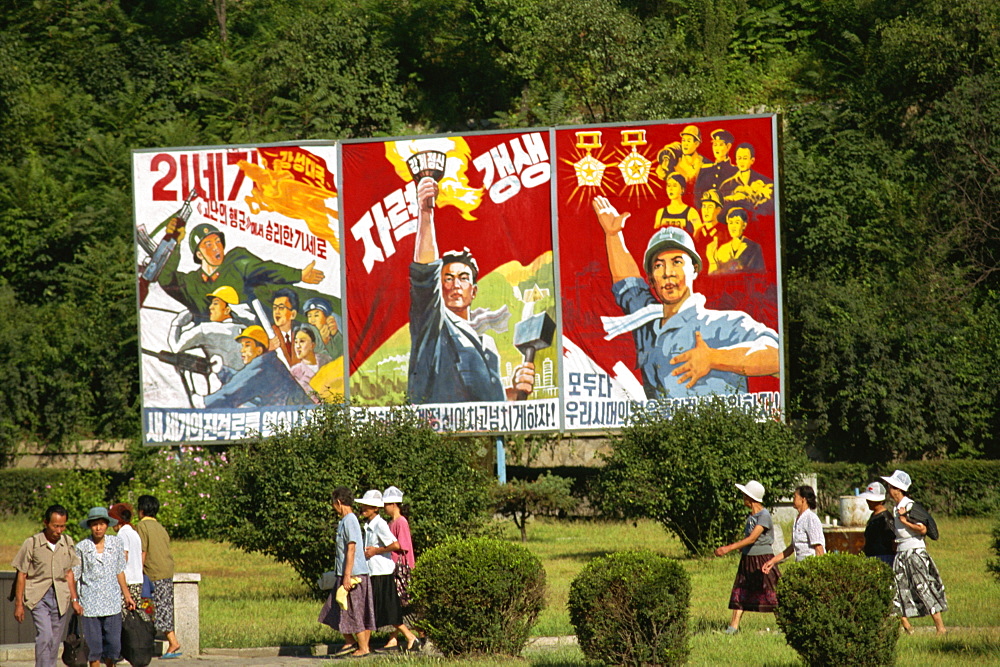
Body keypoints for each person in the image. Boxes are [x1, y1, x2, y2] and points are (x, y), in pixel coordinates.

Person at [592, 198, 780, 399]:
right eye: (658, 265)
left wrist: (715, 358)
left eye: (677, 262)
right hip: (660, 429)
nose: (667, 273)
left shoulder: (725, 323)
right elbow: (629, 284)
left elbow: (776, 358)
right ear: (652, 279)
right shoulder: (646, 322)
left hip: (717, 429)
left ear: (695, 269)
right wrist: (613, 235)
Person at [408, 176, 535, 403]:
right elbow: (424, 276)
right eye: (448, 278)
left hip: (483, 437)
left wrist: (517, 392)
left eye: (463, 278)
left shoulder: (487, 344)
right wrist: (426, 215)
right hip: (440, 435)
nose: (455, 284)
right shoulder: (433, 327)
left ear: (474, 291)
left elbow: (489, 406)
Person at [157, 221, 325, 322]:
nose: (216, 247)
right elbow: (165, 279)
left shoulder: (236, 261)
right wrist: (175, 243)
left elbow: (264, 269)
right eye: (208, 244)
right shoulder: (192, 282)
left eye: (218, 241)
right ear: (198, 254)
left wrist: (298, 275)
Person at [11, 505, 83, 667]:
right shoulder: (32, 543)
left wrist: (74, 599)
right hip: (38, 596)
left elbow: (69, 573)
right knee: (45, 635)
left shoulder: (67, 542)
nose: (59, 530)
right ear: (46, 523)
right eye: (55, 526)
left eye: (63, 526)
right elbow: (21, 574)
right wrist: (19, 604)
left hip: (61, 597)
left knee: (55, 640)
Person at [881, 470, 948, 635]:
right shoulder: (897, 507)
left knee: (923, 586)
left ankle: (940, 628)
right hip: (902, 552)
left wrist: (905, 520)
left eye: (890, 486)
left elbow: (922, 529)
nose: (889, 489)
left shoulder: (909, 506)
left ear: (897, 489)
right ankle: (908, 628)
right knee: (897, 589)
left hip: (914, 552)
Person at [356, 490, 419, 653]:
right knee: (380, 608)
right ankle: (401, 638)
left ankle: (366, 646)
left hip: (382, 572)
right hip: (375, 571)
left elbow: (398, 545)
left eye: (367, 506)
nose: (363, 508)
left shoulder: (381, 524)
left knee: (383, 608)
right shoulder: (372, 525)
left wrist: (376, 551)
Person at [713, 481, 778, 635]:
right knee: (740, 591)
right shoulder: (751, 516)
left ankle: (785, 625)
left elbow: (752, 538)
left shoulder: (764, 515)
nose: (742, 498)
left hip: (762, 559)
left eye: (744, 495)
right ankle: (733, 627)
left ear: (750, 497)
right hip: (748, 558)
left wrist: (728, 548)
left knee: (773, 591)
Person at [74, 507, 136, 667]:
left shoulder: (116, 544)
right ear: (90, 526)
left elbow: (119, 571)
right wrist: (75, 599)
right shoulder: (82, 547)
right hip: (90, 603)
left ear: (107, 525)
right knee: (94, 646)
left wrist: (127, 595)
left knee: (114, 645)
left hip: (112, 602)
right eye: (95, 524)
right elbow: (75, 575)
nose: (98, 528)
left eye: (101, 524)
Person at [319, 487, 376, 658]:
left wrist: (347, 575)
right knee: (336, 609)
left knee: (355, 610)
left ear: (338, 502)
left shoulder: (350, 520)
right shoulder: (346, 520)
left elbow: (351, 548)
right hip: (347, 572)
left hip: (353, 573)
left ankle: (363, 647)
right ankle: (352, 642)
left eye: (333, 504)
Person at [200, 325, 309, 408]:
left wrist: (201, 403)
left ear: (259, 350)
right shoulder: (270, 362)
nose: (242, 350)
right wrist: (221, 371)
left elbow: (231, 395)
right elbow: (243, 383)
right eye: (242, 346)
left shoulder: (261, 366)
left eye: (247, 345)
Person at [135, 495, 182, 659]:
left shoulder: (142, 526)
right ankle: (172, 641)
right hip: (166, 569)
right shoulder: (160, 527)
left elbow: (143, 550)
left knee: (157, 609)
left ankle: (173, 642)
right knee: (164, 606)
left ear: (141, 510)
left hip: (154, 571)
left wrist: (137, 571)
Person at [381, 486, 420, 650]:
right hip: (394, 566)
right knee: (397, 603)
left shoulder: (400, 522)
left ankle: (407, 635)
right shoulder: (392, 523)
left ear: (393, 504)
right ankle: (393, 638)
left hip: (400, 568)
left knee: (396, 602)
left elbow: (402, 546)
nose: (384, 507)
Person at [763, 485, 825, 574]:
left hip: (811, 567)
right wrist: (772, 561)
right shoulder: (798, 519)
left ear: (803, 499)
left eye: (795, 496)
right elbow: (792, 547)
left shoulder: (811, 519)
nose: (793, 499)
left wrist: (820, 572)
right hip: (800, 566)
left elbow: (818, 548)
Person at [719, 143, 774, 216]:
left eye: (745, 158)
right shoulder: (727, 184)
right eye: (739, 158)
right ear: (736, 160)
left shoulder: (764, 181)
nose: (742, 162)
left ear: (752, 160)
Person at [108, 503, 145, 609]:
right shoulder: (134, 533)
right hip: (137, 580)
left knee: (124, 618)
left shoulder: (122, 535)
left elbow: (123, 557)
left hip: (128, 581)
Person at [715, 208, 766, 274]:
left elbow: (760, 273)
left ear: (744, 225)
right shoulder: (722, 249)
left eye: (737, 222)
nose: (733, 227)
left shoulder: (754, 247)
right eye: (730, 223)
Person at [290, 326, 332, 401]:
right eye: (296, 342)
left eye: (302, 341)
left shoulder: (327, 361)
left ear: (312, 345)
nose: (297, 346)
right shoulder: (295, 372)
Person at [859, 482, 896, 566]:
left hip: (883, 559)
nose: (868, 501)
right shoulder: (873, 516)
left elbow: (893, 541)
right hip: (871, 558)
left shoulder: (885, 518)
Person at [693, 189, 726, 274]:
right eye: (704, 206)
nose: (706, 210)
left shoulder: (724, 231)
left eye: (710, 207)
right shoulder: (698, 232)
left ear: (718, 210)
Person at [303, 296, 343, 361]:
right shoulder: (305, 335)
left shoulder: (333, 334)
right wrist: (323, 342)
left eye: (316, 315)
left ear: (326, 317)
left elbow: (339, 355)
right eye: (309, 316)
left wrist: (335, 334)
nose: (312, 320)